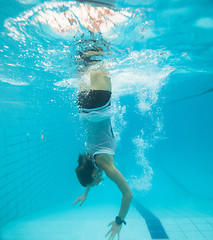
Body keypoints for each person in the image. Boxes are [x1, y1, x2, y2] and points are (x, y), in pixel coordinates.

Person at [73, 45, 133, 240]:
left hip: (100, 104)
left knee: (100, 55)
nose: (100, 182)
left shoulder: (106, 166)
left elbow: (128, 195)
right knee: (85, 61)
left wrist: (118, 221)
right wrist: (86, 194)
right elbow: (87, 173)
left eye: (96, 182)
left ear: (94, 173)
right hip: (83, 107)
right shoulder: (89, 158)